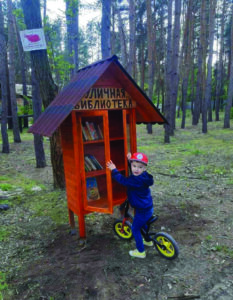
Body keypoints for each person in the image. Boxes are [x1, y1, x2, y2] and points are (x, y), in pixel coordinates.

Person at [106, 152, 154, 258]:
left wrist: (114, 169)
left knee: (135, 229)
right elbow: (134, 174)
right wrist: (129, 161)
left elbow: (123, 180)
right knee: (143, 224)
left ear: (144, 168)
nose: (136, 169)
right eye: (134, 166)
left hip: (142, 210)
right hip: (148, 207)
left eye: (140, 167)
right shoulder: (144, 176)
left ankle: (141, 252)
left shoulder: (135, 180)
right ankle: (148, 241)